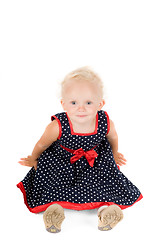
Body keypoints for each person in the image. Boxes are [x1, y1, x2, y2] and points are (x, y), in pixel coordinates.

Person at [17, 67, 143, 233]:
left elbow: (113, 138)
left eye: (88, 103)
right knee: (53, 180)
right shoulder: (58, 126)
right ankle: (54, 210)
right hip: (61, 160)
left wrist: (114, 153)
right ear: (64, 104)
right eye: (74, 103)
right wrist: (33, 158)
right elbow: (42, 144)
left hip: (94, 159)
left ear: (100, 104)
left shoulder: (105, 122)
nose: (81, 108)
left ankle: (107, 210)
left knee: (103, 181)